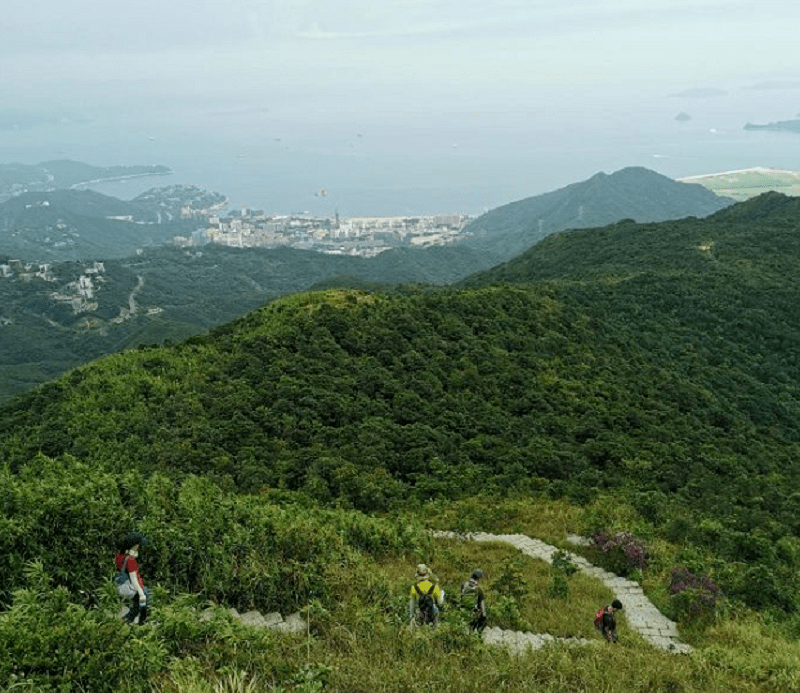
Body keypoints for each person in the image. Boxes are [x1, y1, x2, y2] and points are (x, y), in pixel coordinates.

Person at [115, 531, 151, 625]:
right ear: (135, 545)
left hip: (125, 584)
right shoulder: (131, 560)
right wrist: (141, 593)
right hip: (135, 588)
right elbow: (134, 578)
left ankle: (126, 623)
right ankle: (138, 626)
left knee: (135, 609)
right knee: (143, 609)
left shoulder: (120, 555)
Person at [460, 568, 487, 632]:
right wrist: (484, 616)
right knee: (482, 620)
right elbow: (482, 607)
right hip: (472, 614)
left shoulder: (463, 585)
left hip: (462, 611)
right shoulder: (479, 590)